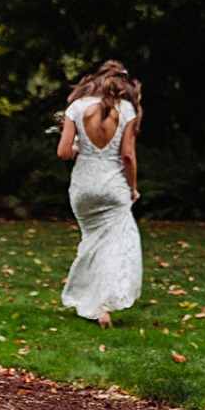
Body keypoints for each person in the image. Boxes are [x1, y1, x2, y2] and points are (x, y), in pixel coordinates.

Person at [54, 59, 144, 328]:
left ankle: (88, 301)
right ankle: (104, 305)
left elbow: (63, 152)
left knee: (91, 242)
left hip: (83, 188)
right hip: (113, 187)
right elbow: (127, 155)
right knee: (116, 246)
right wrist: (133, 188)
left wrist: (79, 147)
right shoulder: (126, 109)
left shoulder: (77, 107)